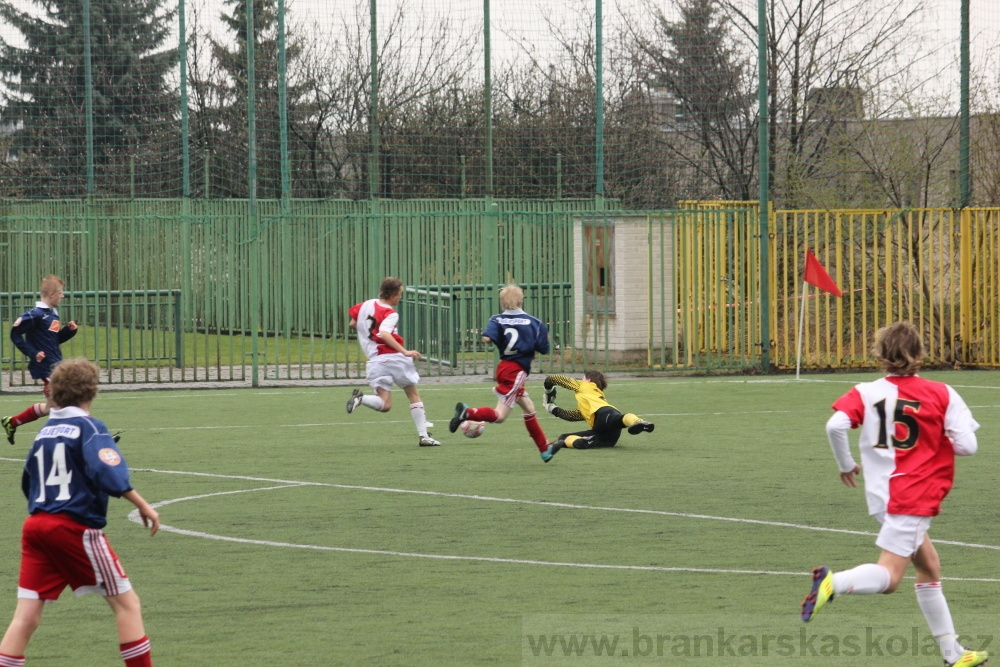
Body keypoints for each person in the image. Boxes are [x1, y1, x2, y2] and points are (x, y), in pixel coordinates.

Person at [800, 322, 987, 667]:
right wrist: (937, 439)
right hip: (913, 495)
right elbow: (968, 446)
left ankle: (953, 654)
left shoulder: (865, 391)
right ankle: (833, 582)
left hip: (881, 495)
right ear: (919, 353)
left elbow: (835, 425)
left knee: (929, 569)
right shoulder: (942, 393)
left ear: (880, 353)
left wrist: (846, 464)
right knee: (890, 578)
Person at [0, 358, 159, 667]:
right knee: (127, 605)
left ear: (55, 393)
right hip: (72, 528)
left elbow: (28, 481)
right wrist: (141, 503)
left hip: (36, 526)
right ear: (92, 391)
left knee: (26, 616)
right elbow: (107, 471)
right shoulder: (90, 427)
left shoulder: (44, 432)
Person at [448, 285, 551, 460]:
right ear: (521, 300)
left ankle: (545, 449)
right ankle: (468, 413)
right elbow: (544, 348)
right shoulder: (534, 322)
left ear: (502, 302)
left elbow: (487, 338)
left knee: (529, 408)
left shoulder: (497, 319)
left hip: (503, 367)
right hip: (516, 371)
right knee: (500, 416)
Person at [345, 277, 440, 447]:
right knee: (413, 394)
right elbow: (384, 334)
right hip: (395, 358)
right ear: (393, 294)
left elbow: (353, 323)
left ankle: (361, 398)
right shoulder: (390, 313)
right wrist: (405, 352)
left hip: (376, 361)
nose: (400, 298)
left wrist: (367, 335)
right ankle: (424, 436)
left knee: (385, 404)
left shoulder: (365, 305)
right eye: (400, 294)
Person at [2, 276, 78, 446]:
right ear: (51, 294)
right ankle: (89, 439)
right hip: (46, 367)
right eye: (60, 293)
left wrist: (69, 331)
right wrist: (33, 352)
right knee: (71, 400)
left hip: (56, 364)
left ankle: (12, 422)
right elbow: (15, 334)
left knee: (51, 408)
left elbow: (54, 341)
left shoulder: (53, 315)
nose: (62, 296)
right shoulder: (34, 315)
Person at [537, 370, 655, 462]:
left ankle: (639, 422)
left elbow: (553, 378)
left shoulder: (585, 386)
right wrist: (552, 408)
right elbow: (571, 416)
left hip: (604, 415)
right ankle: (583, 441)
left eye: (582, 378)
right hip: (610, 435)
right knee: (563, 437)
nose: (580, 380)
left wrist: (548, 391)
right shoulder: (591, 398)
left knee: (619, 419)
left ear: (588, 380)